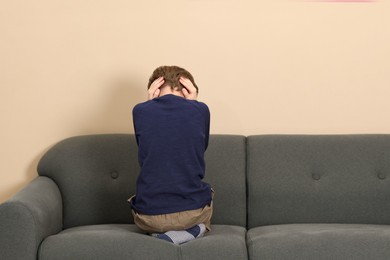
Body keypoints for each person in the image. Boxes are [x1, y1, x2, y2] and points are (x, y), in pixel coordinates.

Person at [128, 66, 213, 245]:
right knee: (208, 192)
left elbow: (146, 147)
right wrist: (194, 103)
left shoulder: (140, 111)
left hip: (148, 218)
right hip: (193, 214)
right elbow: (200, 148)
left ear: (155, 89)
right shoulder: (201, 110)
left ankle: (158, 234)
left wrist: (148, 104)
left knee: (138, 199)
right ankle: (195, 229)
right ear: (188, 89)